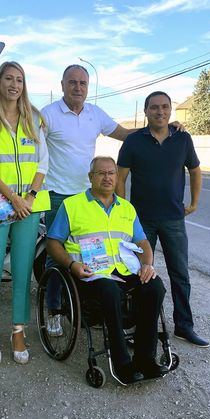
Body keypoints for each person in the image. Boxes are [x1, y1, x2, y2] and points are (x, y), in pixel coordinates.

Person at [41, 65, 182, 336]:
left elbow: (125, 134)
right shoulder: (48, 115)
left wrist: (161, 125)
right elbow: (32, 145)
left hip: (91, 193)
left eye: (83, 83)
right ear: (62, 85)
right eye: (72, 82)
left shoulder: (96, 114)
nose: (78, 87)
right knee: (56, 256)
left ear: (88, 86)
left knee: (102, 249)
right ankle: (54, 311)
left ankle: (97, 302)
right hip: (59, 194)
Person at [46, 156, 169, 384]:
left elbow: (142, 242)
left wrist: (147, 265)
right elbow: (53, 242)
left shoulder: (127, 208)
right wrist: (72, 265)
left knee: (155, 287)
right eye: (101, 173)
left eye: (111, 173)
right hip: (90, 273)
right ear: (91, 177)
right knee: (109, 291)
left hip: (124, 270)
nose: (107, 177)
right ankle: (122, 363)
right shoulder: (72, 206)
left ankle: (146, 358)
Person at [0, 61, 50, 365]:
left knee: (21, 271)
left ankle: (18, 330)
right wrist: (12, 197)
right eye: (9, 79)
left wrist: (27, 197)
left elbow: (42, 163)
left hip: (28, 206)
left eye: (20, 80)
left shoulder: (35, 119)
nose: (15, 84)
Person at [116, 91, 208, 347]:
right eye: (154, 107)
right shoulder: (134, 141)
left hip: (173, 220)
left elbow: (195, 170)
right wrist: (125, 214)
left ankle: (184, 326)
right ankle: (139, 328)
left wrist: (194, 203)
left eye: (165, 107)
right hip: (141, 220)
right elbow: (120, 180)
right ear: (145, 112)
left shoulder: (183, 139)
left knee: (180, 274)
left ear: (170, 110)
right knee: (138, 274)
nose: (160, 112)